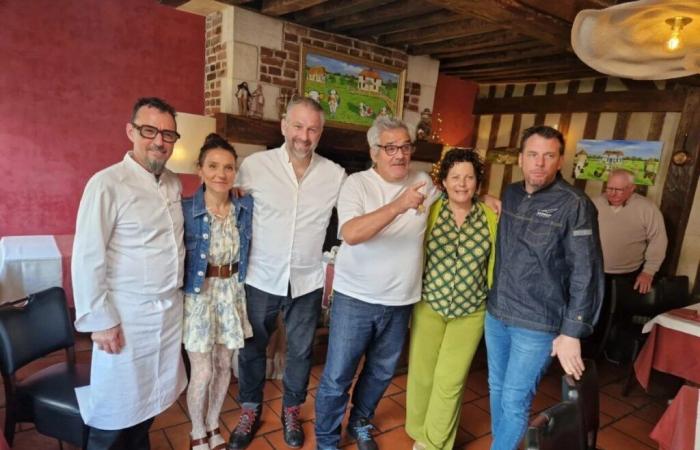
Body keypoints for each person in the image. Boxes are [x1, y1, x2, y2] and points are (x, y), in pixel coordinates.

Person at [314, 116, 440, 450]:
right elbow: (352, 234)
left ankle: (360, 422)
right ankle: (326, 440)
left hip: (401, 301)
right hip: (356, 298)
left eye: (405, 147)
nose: (400, 154)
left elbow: (454, 201)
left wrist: (485, 199)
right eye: (391, 148)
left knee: (382, 373)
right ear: (374, 152)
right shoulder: (357, 184)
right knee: (338, 375)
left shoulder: (424, 181)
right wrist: (399, 205)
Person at [227, 97, 346, 450]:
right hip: (261, 277)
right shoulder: (254, 166)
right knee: (251, 348)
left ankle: (291, 408)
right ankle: (250, 408)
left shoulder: (335, 175)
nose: (304, 136)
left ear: (320, 132)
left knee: (301, 351)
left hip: (307, 280)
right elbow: (224, 202)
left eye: (312, 128)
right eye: (298, 126)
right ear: (283, 126)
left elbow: (359, 209)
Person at [72, 97, 187, 450]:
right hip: (126, 318)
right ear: (131, 132)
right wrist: (100, 320)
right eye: (149, 130)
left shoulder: (173, 183)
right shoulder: (107, 184)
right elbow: (87, 257)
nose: (159, 141)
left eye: (168, 134)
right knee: (114, 410)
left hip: (166, 317)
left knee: (149, 407)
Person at [485, 125, 604, 450]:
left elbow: (587, 271)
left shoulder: (575, 204)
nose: (540, 163)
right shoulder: (509, 193)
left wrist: (572, 332)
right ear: (521, 159)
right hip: (496, 313)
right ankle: (503, 444)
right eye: (533, 155)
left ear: (559, 161)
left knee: (514, 399)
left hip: (537, 323)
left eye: (548, 156)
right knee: (496, 387)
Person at [406, 148, 498, 450]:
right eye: (455, 176)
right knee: (421, 375)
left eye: (469, 177)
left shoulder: (491, 217)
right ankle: (419, 430)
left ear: (478, 183)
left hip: (470, 311)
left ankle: (434, 442)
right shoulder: (429, 210)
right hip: (429, 304)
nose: (462, 183)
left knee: (451, 380)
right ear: (443, 181)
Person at [182, 134, 254, 450]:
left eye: (227, 168)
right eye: (212, 166)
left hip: (231, 293)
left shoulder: (244, 206)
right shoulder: (185, 209)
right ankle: (197, 429)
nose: (220, 174)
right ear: (199, 169)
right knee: (203, 369)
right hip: (199, 295)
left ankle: (213, 424)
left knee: (224, 366)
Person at [593, 168, 667, 294]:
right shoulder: (594, 203)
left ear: (632, 188)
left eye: (619, 190)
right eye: (609, 188)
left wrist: (648, 272)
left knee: (618, 312)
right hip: (593, 272)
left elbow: (658, 240)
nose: (612, 193)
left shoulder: (647, 208)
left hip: (628, 276)